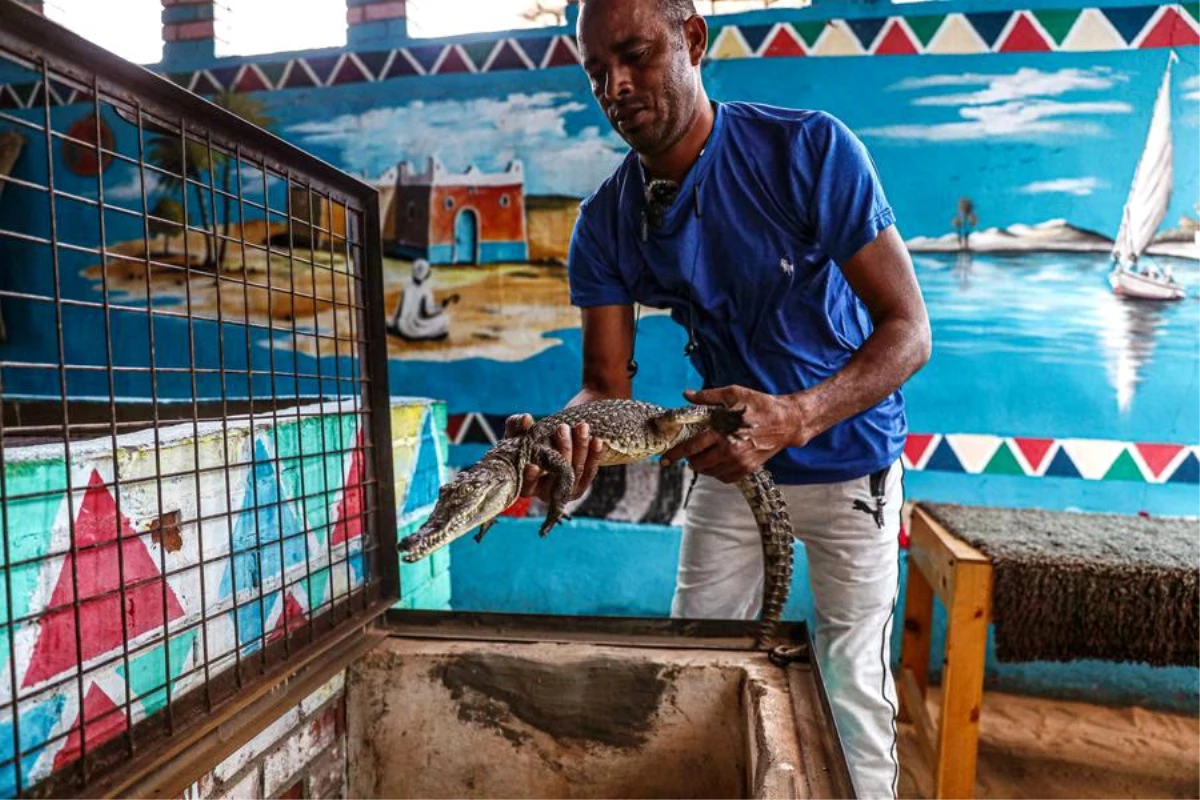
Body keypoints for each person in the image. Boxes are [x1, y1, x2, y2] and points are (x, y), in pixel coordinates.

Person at [505, 1, 931, 795]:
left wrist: (797, 415)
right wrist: (557, 440)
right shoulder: (606, 221)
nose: (616, 86)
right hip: (729, 473)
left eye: (634, 55)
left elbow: (908, 329)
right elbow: (605, 385)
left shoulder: (808, 149)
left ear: (693, 40)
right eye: (597, 71)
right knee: (692, 664)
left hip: (850, 465)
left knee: (850, 690)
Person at [387, 258, 459, 341]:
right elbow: (428, 312)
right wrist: (442, 306)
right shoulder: (426, 290)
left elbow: (398, 312)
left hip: (402, 327)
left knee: (390, 319)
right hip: (414, 330)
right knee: (445, 318)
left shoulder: (406, 288)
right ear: (426, 274)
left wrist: (393, 324)